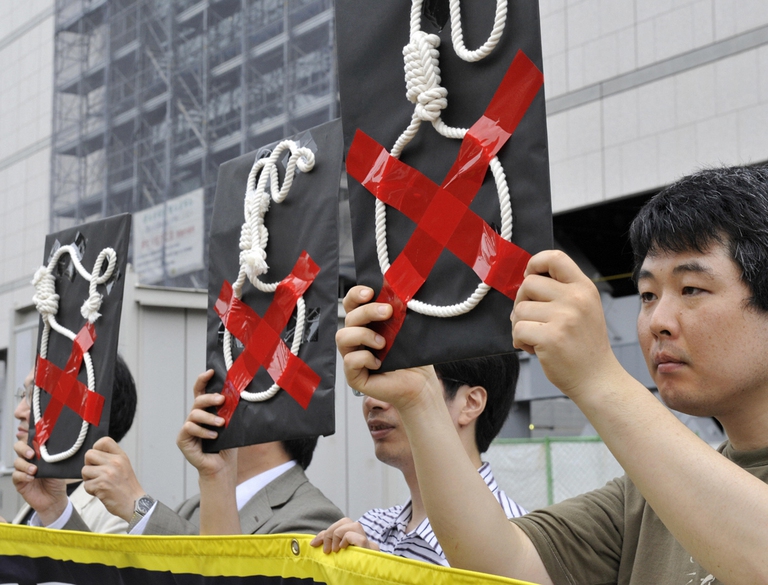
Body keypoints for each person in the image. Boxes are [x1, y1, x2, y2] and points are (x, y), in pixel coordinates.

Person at [337, 165, 768, 584]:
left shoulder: (658, 484)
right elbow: (500, 564)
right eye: (647, 294)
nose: (658, 320)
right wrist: (420, 398)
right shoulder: (643, 497)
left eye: (691, 288)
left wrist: (597, 378)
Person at [49, 369, 343, 535]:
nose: (208, 403)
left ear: (272, 416)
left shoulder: (313, 518)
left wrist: (139, 506)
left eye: (229, 391)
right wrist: (55, 510)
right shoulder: (192, 508)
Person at [310, 351, 526, 566]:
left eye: (401, 380)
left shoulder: (519, 541)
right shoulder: (369, 529)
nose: (372, 401)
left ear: (470, 403)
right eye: (370, 383)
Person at [11, 354, 137, 534]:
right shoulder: (39, 490)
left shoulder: (118, 518)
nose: (19, 411)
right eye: (24, 394)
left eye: (36, 395)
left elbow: (91, 563)